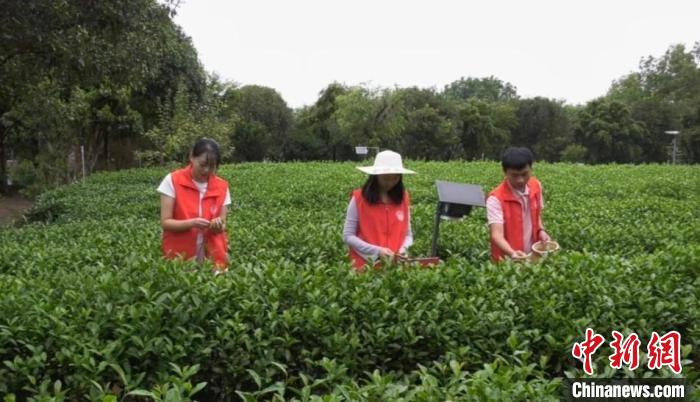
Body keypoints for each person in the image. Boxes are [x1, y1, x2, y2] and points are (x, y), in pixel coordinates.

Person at [158, 138, 231, 271]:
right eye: (202, 164)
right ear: (191, 157)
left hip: (214, 256)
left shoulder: (222, 186)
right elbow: (165, 222)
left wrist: (218, 224)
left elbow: (223, 224)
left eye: (212, 166)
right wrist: (192, 223)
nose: (207, 170)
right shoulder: (173, 180)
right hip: (180, 255)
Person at [343, 150, 416, 271]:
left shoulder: (404, 198)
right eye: (386, 178)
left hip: (395, 267)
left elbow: (408, 235)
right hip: (365, 266)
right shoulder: (358, 198)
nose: (391, 182)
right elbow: (348, 236)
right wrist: (377, 251)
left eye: (395, 178)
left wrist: (403, 250)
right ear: (376, 176)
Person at [487, 147, 552, 262]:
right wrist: (512, 253)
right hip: (507, 260)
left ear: (531, 169)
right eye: (514, 175)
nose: (520, 180)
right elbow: (496, 235)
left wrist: (541, 230)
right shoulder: (495, 199)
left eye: (524, 174)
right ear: (505, 172)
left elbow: (537, 215)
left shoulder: (536, 186)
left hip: (533, 255)